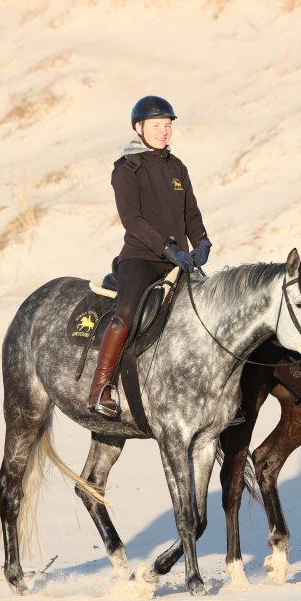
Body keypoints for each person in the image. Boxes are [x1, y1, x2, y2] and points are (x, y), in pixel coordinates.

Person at [88, 95, 211, 417]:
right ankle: (100, 387)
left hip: (180, 259)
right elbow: (133, 221)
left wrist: (201, 242)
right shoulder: (127, 169)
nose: (163, 132)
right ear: (139, 128)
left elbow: (191, 213)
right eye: (156, 126)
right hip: (142, 257)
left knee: (211, 308)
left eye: (168, 126)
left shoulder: (176, 166)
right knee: (126, 312)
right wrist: (167, 248)